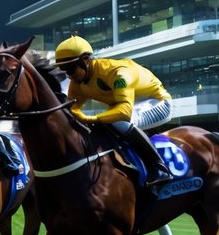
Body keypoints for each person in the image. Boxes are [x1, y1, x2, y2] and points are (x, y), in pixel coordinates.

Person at [54, 35, 173, 186]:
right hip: (128, 107)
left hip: (157, 103)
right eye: (65, 70)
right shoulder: (77, 81)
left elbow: (124, 112)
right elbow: (72, 108)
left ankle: (160, 168)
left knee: (118, 122)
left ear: (85, 60)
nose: (69, 75)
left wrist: (91, 119)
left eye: (71, 69)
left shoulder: (117, 73)